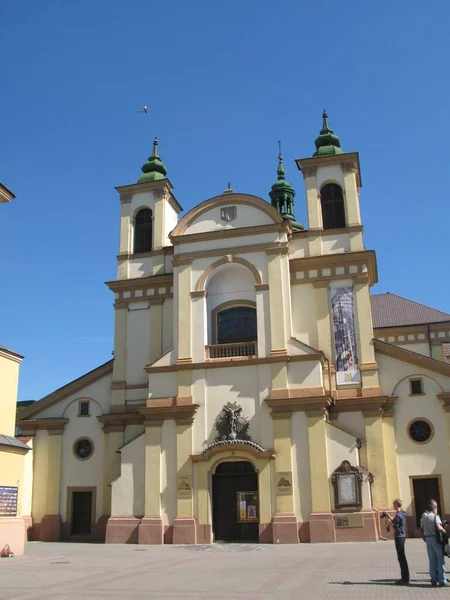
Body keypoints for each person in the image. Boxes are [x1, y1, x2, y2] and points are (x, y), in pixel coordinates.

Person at [420, 499, 449, 587]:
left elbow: (422, 528)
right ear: (434, 507)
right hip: (436, 539)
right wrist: (445, 531)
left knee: (432, 560)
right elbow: (439, 528)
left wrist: (424, 537)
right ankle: (442, 580)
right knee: (440, 560)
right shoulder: (435, 516)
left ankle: (433, 579)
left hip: (428, 539)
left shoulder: (424, 515)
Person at [384, 499, 410, 585]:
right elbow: (395, 521)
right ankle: (405, 577)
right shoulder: (401, 514)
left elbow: (396, 526)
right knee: (402, 557)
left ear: (396, 504)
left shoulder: (399, 515)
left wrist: (390, 523)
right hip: (402, 537)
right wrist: (388, 516)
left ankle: (405, 578)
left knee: (401, 557)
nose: (392, 506)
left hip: (399, 537)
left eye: (393, 504)